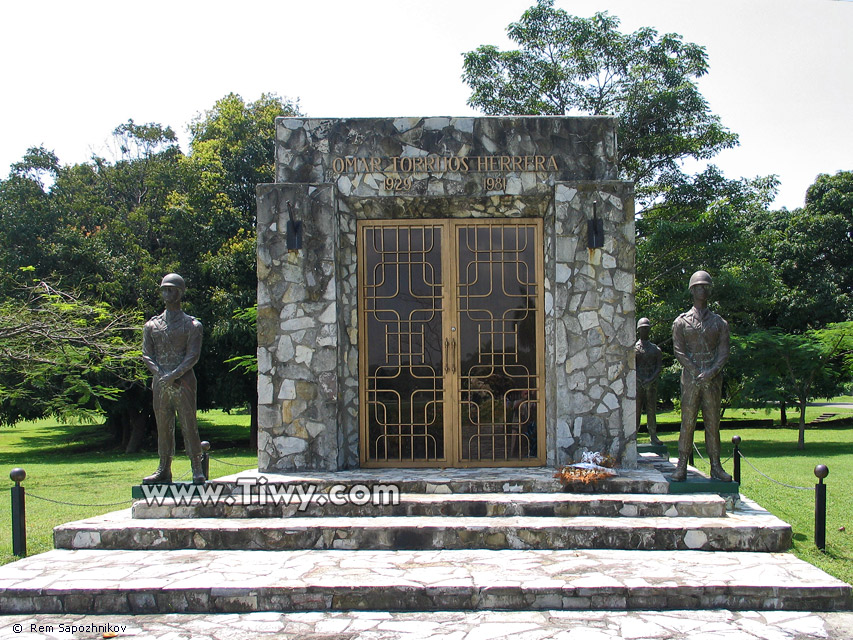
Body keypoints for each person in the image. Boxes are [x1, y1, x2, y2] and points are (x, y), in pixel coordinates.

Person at [141, 273, 205, 485]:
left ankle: (197, 466)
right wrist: (161, 375)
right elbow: (147, 354)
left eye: (171, 289)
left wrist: (174, 375)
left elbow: (192, 356)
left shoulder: (192, 325)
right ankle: (163, 468)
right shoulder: (151, 326)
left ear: (180, 292)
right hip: (161, 383)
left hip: (184, 382)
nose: (167, 293)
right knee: (163, 426)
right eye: (164, 289)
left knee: (189, 424)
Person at [671, 270, 732, 482]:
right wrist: (697, 372)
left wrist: (711, 372)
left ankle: (716, 465)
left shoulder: (719, 323)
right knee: (687, 422)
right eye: (698, 287)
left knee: (712, 423)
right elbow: (679, 351)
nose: (702, 290)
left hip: (713, 380)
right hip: (690, 379)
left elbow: (724, 352)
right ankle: (681, 465)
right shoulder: (681, 322)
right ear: (692, 290)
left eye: (706, 286)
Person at [635, 317, 663, 445]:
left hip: (651, 385)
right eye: (642, 329)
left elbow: (658, 367)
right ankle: (633, 435)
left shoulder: (655, 349)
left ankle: (653, 435)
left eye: (647, 328)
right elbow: (632, 367)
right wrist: (641, 379)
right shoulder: (634, 349)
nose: (645, 331)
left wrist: (650, 380)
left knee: (651, 410)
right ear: (638, 331)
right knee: (636, 410)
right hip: (638, 384)